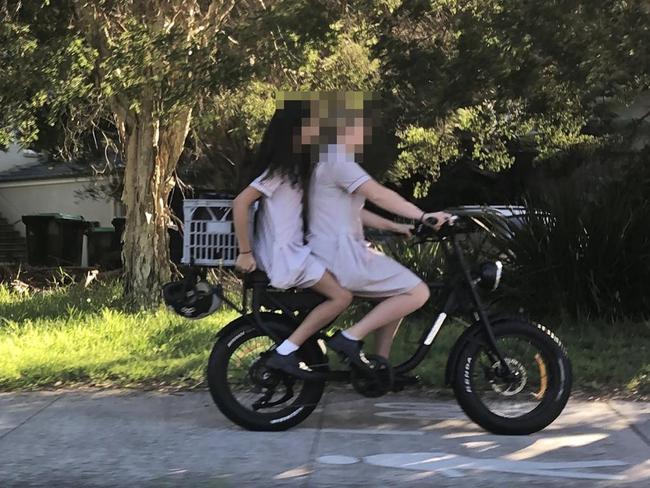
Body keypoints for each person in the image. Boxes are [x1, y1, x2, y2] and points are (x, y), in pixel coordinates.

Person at [308, 109, 452, 368]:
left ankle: (380, 365)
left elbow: (356, 212)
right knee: (417, 292)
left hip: (332, 251)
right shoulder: (338, 162)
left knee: (394, 295)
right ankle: (349, 338)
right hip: (341, 256)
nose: (364, 134)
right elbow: (379, 195)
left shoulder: (326, 162)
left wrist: (396, 227)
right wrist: (423, 216)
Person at [231, 99, 353, 380]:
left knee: (349, 275)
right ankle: (288, 350)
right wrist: (245, 252)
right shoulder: (279, 172)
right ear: (294, 131)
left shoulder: (295, 170)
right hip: (287, 258)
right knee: (342, 296)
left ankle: (304, 340)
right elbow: (240, 203)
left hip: (295, 252)